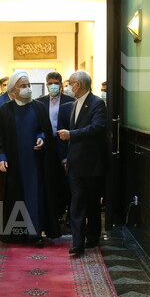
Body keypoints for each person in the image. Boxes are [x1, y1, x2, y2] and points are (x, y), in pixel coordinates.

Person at [0, 70, 62, 244]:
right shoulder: (4, 111)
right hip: (13, 164)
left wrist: (42, 138)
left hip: (35, 163)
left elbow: (44, 130)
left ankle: (36, 233)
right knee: (15, 197)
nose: (27, 89)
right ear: (13, 90)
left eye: (28, 85)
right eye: (23, 86)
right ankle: (17, 234)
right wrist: (1, 157)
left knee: (34, 197)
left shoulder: (38, 107)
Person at [57, 70, 107, 257]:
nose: (67, 86)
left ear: (78, 85)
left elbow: (97, 128)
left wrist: (72, 135)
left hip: (92, 165)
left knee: (93, 203)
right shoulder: (72, 104)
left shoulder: (97, 103)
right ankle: (77, 242)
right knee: (77, 203)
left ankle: (92, 237)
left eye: (70, 83)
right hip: (75, 165)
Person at [36, 71, 74, 228]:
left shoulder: (70, 101)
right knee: (51, 180)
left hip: (65, 143)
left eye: (56, 83)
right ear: (47, 84)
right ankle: (54, 213)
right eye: (50, 83)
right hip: (48, 145)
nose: (53, 86)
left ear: (61, 84)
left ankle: (69, 214)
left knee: (67, 181)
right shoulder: (39, 102)